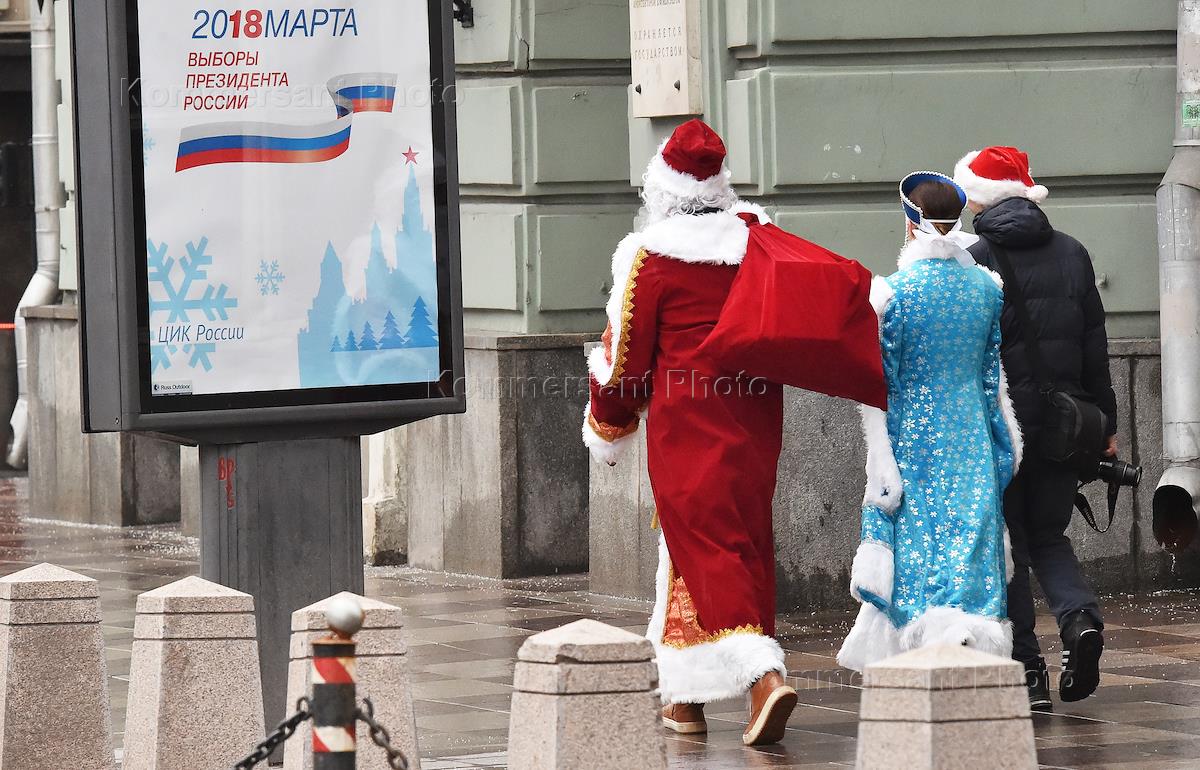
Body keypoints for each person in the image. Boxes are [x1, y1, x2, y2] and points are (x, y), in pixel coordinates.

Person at [582, 119, 798, 746]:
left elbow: (625, 360)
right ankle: (684, 698)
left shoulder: (649, 257)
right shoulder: (757, 241)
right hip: (755, 414)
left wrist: (609, 423)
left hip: (688, 422)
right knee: (730, 538)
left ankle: (761, 675)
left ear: (663, 187)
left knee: (706, 541)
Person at [838, 172, 1022, 672]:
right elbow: (991, 378)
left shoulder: (892, 294)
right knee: (969, 544)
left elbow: (883, 381)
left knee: (920, 548)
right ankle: (970, 653)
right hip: (972, 436)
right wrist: (1000, 448)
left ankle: (922, 660)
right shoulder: (987, 289)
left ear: (909, 223)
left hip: (914, 439)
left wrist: (883, 455)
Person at [956, 146, 1116, 710]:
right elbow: (1095, 347)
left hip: (998, 428)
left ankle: (1027, 672)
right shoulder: (1072, 252)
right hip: (1064, 424)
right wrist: (1107, 424)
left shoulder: (970, 258)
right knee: (1049, 534)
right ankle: (1080, 622)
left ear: (978, 198)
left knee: (1010, 545)